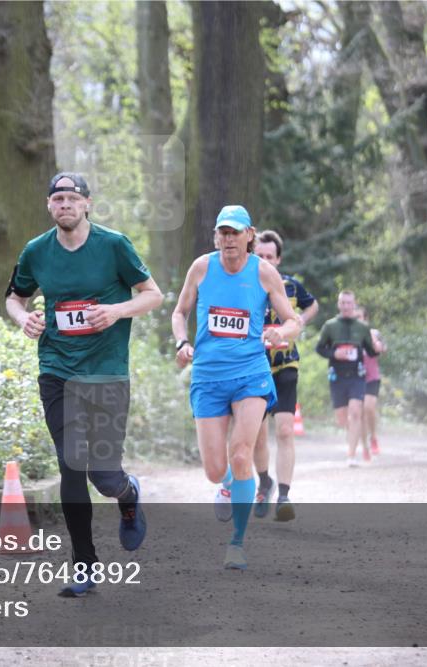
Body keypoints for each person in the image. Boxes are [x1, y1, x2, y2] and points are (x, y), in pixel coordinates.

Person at [5, 172, 163, 597]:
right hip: (57, 369)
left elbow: (153, 295)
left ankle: (128, 495)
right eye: (57, 199)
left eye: (72, 198)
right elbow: (14, 297)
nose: (65, 205)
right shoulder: (36, 251)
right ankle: (84, 565)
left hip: (107, 369)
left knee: (104, 475)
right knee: (71, 466)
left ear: (87, 204)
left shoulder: (114, 245)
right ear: (49, 207)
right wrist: (26, 319)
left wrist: (116, 311)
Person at [171, 205, 302, 570]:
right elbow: (179, 312)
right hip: (209, 377)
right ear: (216, 237)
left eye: (235, 233)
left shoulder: (263, 272)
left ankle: (237, 543)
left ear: (250, 235)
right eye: (222, 233)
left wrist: (280, 333)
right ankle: (227, 483)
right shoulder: (201, 268)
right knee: (215, 469)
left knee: (242, 453)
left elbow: (293, 321)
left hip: (251, 374)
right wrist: (182, 343)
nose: (228, 240)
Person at [251, 230, 318, 522]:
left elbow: (312, 304)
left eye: (270, 257)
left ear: (278, 259)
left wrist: (300, 320)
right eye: (260, 256)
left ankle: (284, 496)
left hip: (286, 364)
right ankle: (264, 482)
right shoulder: (245, 287)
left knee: (286, 430)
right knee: (256, 434)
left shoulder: (290, 286)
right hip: (253, 366)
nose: (265, 261)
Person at [315, 290, 381, 467]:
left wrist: (377, 348)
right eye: (342, 303)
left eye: (349, 303)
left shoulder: (362, 327)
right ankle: (353, 439)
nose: (345, 306)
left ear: (354, 304)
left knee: (355, 412)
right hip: (337, 377)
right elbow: (320, 348)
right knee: (343, 419)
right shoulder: (330, 326)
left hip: (357, 376)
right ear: (339, 304)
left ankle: (351, 455)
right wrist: (334, 353)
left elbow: (371, 350)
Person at [356, 306, 386, 458]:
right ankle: (365, 446)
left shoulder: (374, 333)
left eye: (359, 316)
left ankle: (373, 436)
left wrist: (378, 345)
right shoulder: (349, 335)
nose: (357, 319)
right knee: (359, 413)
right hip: (356, 378)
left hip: (372, 377)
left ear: (365, 318)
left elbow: (383, 349)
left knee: (369, 407)